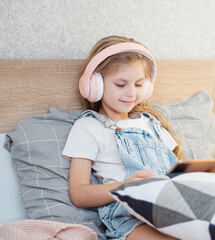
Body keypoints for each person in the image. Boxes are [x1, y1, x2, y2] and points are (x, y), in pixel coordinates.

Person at [62, 36, 182, 240]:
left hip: (171, 209)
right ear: (95, 84)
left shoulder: (152, 124)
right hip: (130, 219)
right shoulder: (89, 127)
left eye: (138, 84)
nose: (131, 93)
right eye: (120, 84)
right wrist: (126, 187)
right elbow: (79, 194)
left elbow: (177, 170)